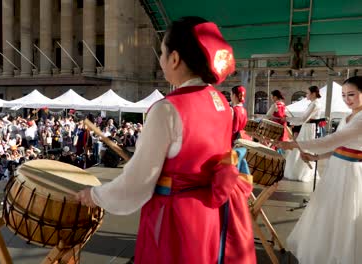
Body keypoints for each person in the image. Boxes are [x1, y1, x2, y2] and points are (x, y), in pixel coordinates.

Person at [75, 17, 255, 264]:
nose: (160, 60)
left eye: (161, 52)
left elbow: (137, 183)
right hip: (209, 213)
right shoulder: (222, 103)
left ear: (175, 58)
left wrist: (95, 195)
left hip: (174, 218)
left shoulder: (167, 109)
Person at [278, 76, 362, 264]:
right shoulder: (349, 116)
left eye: (352, 95)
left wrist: (293, 144)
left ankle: (343, 255)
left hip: (351, 173)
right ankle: (329, 252)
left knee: (345, 215)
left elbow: (330, 141)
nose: (347, 99)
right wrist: (316, 157)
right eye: (344, 95)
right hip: (337, 169)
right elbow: (340, 147)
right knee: (328, 212)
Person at [284, 85, 322, 182]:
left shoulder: (314, 104)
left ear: (313, 94)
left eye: (308, 93)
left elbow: (303, 119)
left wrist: (288, 119)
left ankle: (302, 172)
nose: (306, 95)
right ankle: (299, 171)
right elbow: (303, 118)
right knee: (301, 147)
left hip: (309, 128)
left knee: (303, 147)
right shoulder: (313, 103)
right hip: (307, 127)